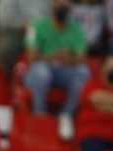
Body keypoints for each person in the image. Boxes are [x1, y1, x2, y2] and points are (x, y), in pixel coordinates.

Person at [25, 2, 90, 139]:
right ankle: (39, 116)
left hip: (64, 71)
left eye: (65, 5)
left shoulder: (76, 28)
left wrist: (68, 58)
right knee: (42, 73)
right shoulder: (36, 26)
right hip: (39, 70)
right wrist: (52, 56)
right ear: (52, 6)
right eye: (58, 4)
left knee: (83, 72)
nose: (62, 8)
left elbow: (81, 57)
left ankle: (66, 115)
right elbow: (31, 58)